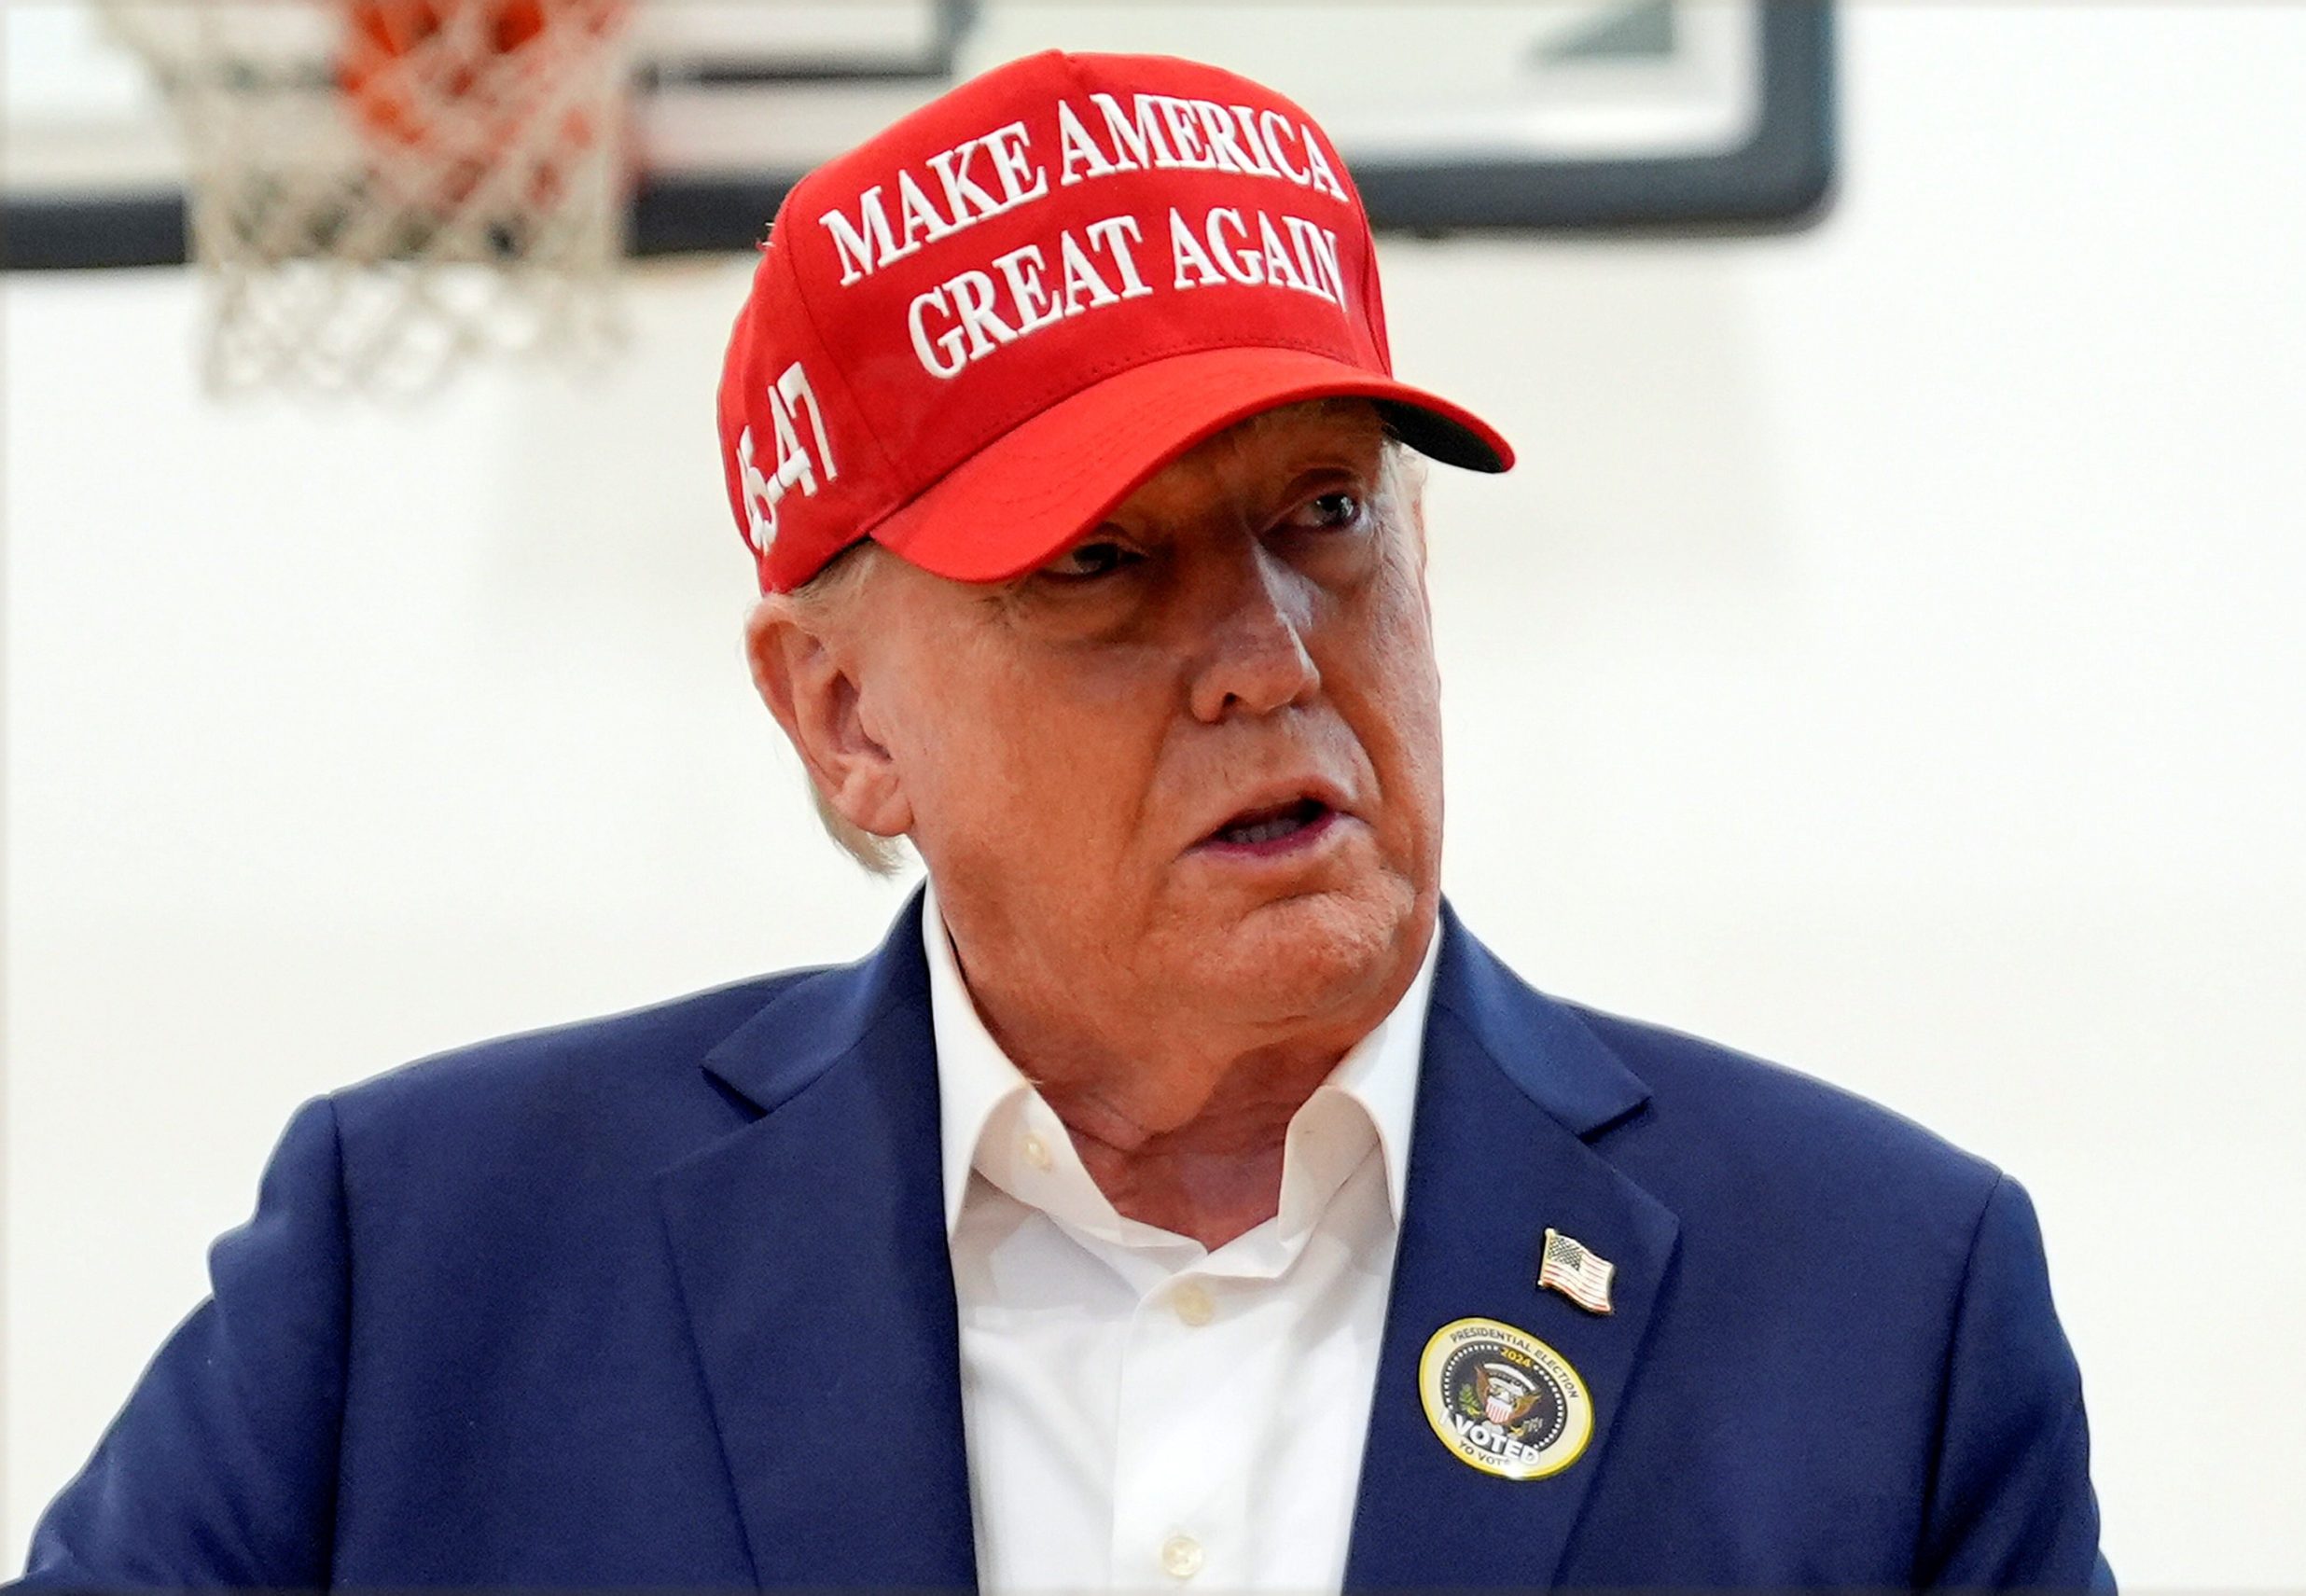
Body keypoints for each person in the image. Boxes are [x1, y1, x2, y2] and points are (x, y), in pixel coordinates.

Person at [19, 48, 2114, 1591]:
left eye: (1325, 516)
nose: (1273, 656)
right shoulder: (422, 1265)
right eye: (1100, 567)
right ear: (842, 717)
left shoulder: (1880, 1302)